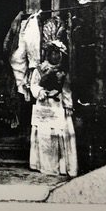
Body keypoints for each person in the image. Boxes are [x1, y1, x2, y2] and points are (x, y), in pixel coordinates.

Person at [29, 40, 78, 177]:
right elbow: (33, 84)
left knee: (60, 132)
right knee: (45, 134)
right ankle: (45, 165)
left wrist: (68, 104)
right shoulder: (40, 69)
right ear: (48, 54)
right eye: (52, 53)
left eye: (57, 53)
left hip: (58, 105)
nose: (55, 56)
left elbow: (67, 89)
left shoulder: (63, 71)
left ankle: (62, 166)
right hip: (44, 104)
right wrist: (39, 91)